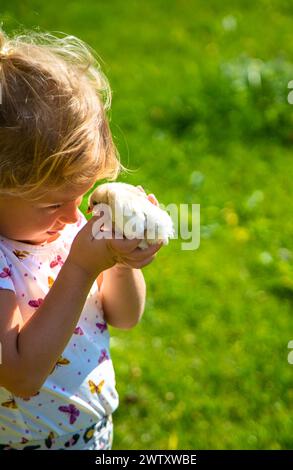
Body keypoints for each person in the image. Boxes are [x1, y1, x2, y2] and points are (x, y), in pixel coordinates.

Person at [0, 29, 162, 450]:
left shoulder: (66, 228)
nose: (74, 215)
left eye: (80, 196)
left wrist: (122, 260)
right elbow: (20, 374)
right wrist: (81, 267)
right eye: (53, 203)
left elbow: (124, 317)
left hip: (93, 435)